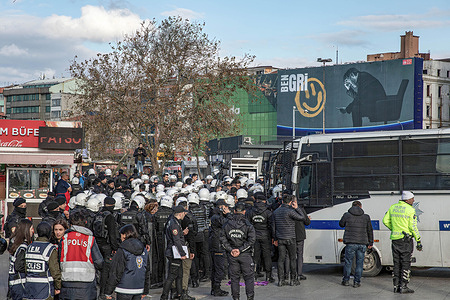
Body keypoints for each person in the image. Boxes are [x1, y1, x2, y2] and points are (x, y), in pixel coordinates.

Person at [58, 211, 104, 300]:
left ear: (70, 223)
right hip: (87, 283)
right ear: (85, 223)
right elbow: (99, 262)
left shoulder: (65, 239)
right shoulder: (90, 239)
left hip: (67, 282)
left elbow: (59, 259)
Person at [383, 191, 422, 293]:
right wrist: (418, 240)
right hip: (406, 240)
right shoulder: (410, 210)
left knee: (396, 263)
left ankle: (396, 286)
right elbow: (413, 227)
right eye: (412, 198)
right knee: (405, 263)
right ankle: (403, 286)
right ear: (407, 199)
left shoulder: (393, 207)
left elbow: (385, 221)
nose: (413, 200)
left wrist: (394, 229)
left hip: (395, 239)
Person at [105, 224, 151, 300]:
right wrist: (145, 290)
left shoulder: (123, 249)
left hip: (124, 288)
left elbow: (116, 271)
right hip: (138, 288)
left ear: (125, 235)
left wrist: (108, 291)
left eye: (121, 235)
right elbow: (147, 271)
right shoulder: (144, 250)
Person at [221, 202, 256, 300]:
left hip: (233, 254)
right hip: (244, 254)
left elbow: (222, 239)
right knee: (248, 278)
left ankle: (235, 298)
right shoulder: (248, 225)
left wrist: (232, 249)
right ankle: (250, 298)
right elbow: (252, 240)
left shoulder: (227, 224)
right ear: (244, 212)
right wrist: (238, 250)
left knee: (234, 278)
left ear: (235, 211)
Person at [272, 194, 305, 287]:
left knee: (281, 259)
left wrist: (275, 238)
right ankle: (293, 280)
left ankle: (281, 280)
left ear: (282, 201)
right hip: (290, 238)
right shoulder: (290, 211)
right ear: (290, 202)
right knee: (292, 258)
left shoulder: (276, 212)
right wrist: (297, 208)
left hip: (280, 238)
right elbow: (302, 218)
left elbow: (273, 227)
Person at [339, 200, 373, 288]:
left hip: (350, 243)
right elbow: (370, 230)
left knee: (348, 262)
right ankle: (357, 282)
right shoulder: (366, 217)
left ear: (352, 206)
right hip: (362, 243)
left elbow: (341, 224)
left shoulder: (347, 215)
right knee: (359, 263)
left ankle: (346, 281)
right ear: (361, 207)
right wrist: (370, 242)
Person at [23, 221, 62, 300]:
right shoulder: (50, 248)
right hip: (45, 290)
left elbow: (26, 268)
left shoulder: (29, 247)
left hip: (29, 288)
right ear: (49, 233)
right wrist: (58, 286)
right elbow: (55, 270)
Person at [93, 197, 120, 299]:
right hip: (107, 246)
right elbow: (112, 233)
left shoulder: (98, 214)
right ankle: (103, 293)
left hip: (96, 244)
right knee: (106, 270)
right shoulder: (110, 217)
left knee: (96, 267)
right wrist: (115, 247)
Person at [160, 205, 189, 300]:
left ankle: (179, 294)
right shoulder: (174, 224)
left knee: (179, 275)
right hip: (174, 253)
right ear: (180, 214)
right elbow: (176, 241)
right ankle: (164, 296)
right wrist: (182, 254)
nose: (185, 214)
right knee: (171, 276)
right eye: (184, 213)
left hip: (174, 252)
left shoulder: (173, 221)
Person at [246, 194, 274, 282]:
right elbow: (272, 226)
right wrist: (273, 237)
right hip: (265, 236)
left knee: (255, 256)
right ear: (264, 201)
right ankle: (268, 276)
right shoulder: (268, 212)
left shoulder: (250, 211)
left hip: (254, 236)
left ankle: (254, 274)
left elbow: (247, 225)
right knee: (267, 256)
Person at [209, 199, 231, 297]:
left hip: (216, 244)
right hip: (218, 245)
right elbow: (229, 223)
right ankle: (216, 289)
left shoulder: (216, 216)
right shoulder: (217, 217)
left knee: (216, 268)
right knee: (219, 268)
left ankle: (215, 288)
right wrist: (229, 214)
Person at [8, 218, 34, 300]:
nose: (33, 231)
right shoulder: (23, 247)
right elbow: (19, 266)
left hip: (15, 285)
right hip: (20, 285)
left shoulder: (18, 245)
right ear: (26, 230)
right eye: (32, 228)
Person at [294, 200, 311, 281]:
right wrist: (308, 219)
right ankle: (299, 274)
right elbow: (307, 222)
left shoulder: (287, 210)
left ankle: (288, 274)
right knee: (299, 255)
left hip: (290, 235)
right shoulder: (301, 210)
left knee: (289, 256)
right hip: (300, 235)